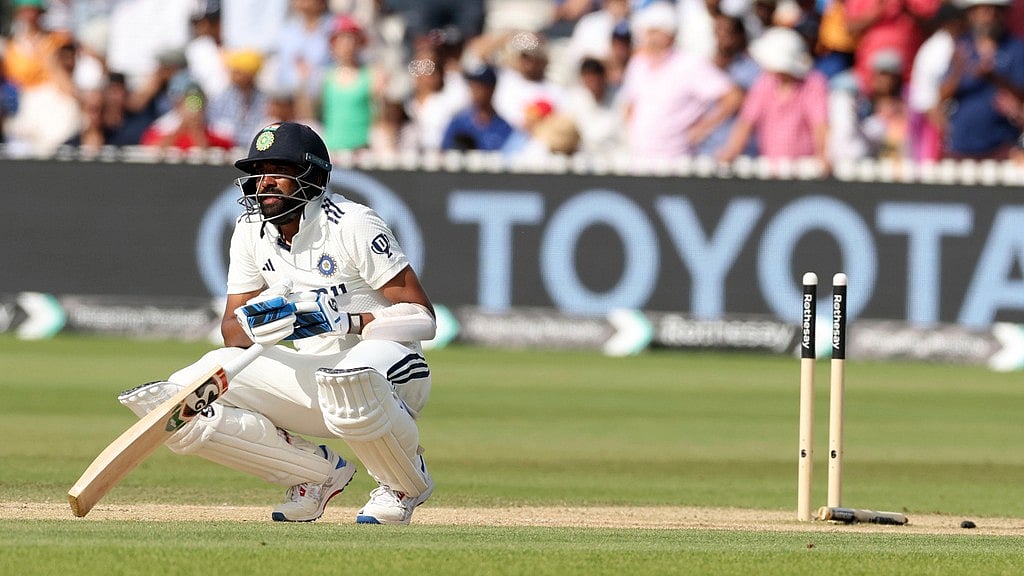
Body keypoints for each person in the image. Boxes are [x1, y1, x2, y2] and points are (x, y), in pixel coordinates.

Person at [119, 121, 437, 525]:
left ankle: (403, 483)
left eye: (277, 171)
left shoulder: (352, 222)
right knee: (183, 396)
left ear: (313, 176)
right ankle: (315, 475)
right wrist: (263, 320)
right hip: (317, 380)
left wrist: (351, 320)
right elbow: (231, 335)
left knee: (349, 379)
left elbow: (423, 316)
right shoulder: (250, 230)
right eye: (257, 172)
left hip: (392, 375)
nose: (263, 183)